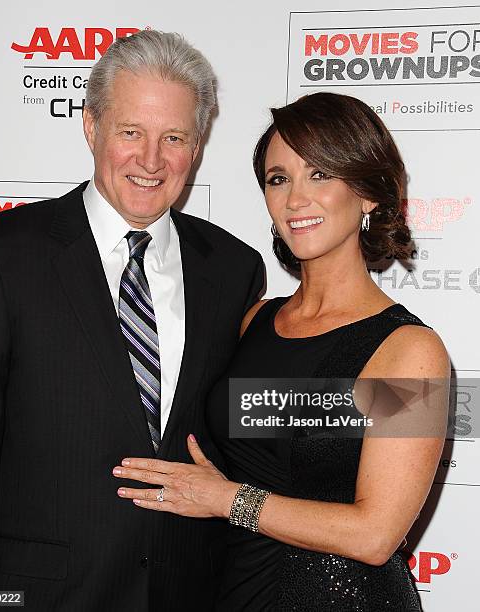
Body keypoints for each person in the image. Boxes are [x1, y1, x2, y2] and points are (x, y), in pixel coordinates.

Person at [0, 31, 264, 611]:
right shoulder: (0, 254)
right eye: (131, 132)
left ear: (196, 146)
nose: (151, 160)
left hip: (187, 594)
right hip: (40, 596)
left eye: (173, 137)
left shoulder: (232, 268)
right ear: (91, 127)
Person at [113, 92, 450, 611]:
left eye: (320, 175)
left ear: (368, 194)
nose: (295, 199)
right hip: (232, 591)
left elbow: (375, 535)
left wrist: (227, 500)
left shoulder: (411, 351)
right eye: (278, 179)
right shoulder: (254, 320)